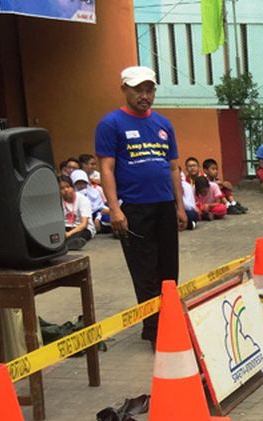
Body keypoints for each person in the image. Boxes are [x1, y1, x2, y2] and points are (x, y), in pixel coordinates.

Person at [95, 66, 188, 345]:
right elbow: (107, 169)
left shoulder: (163, 124)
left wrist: (180, 207)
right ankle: (154, 331)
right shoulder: (111, 124)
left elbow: (173, 168)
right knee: (145, 271)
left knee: (169, 270)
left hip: (164, 206)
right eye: (138, 90)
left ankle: (171, 322)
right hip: (134, 208)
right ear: (124, 89)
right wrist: (115, 209)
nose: (145, 96)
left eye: (149, 90)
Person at [59, 175, 93, 250]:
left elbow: (84, 224)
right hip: (66, 227)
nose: (66, 190)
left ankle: (64, 245)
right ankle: (67, 244)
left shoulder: (83, 200)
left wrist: (69, 234)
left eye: (68, 187)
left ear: (73, 187)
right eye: (62, 188)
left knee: (81, 235)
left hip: (82, 228)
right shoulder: (58, 200)